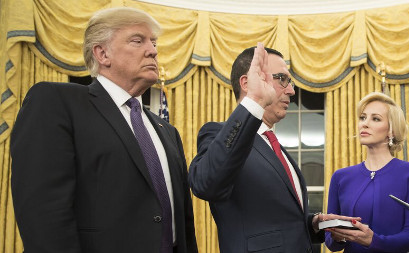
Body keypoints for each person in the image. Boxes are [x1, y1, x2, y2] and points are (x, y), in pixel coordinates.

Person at [10, 7, 197, 253]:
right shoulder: (57, 102)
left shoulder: (167, 130)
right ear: (102, 53)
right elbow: (42, 212)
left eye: (153, 42)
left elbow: (183, 221)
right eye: (137, 40)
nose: (153, 50)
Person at [188, 44, 354, 252]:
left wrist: (314, 223)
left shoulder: (273, 145)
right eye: (282, 79)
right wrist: (254, 100)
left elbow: (279, 221)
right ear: (247, 83)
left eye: (290, 82)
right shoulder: (216, 133)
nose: (292, 90)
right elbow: (205, 184)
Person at [325, 92, 409, 252]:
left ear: (391, 131)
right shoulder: (340, 177)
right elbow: (330, 244)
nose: (364, 124)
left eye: (376, 118)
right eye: (362, 117)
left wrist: (372, 240)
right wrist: (337, 236)